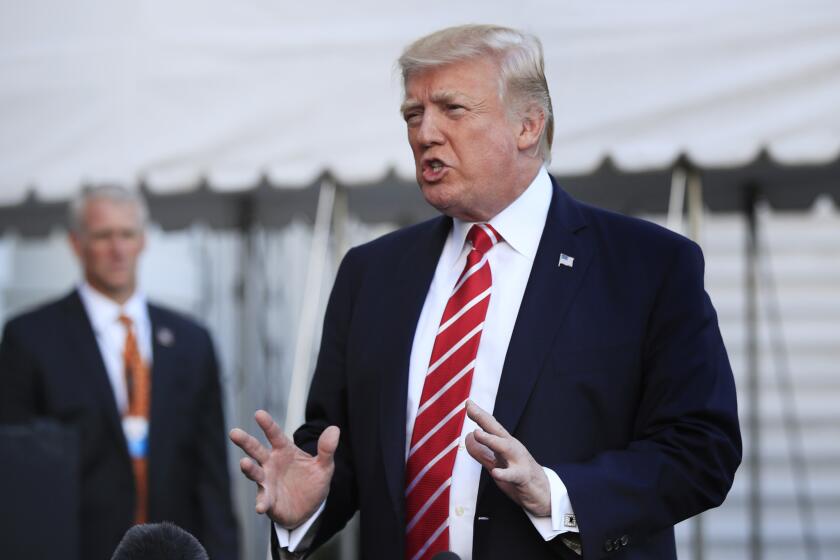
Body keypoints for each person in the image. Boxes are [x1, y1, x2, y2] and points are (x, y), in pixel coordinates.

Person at [230, 24, 741, 560]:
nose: (425, 133)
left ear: (527, 126)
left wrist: (560, 496)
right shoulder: (371, 273)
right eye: (412, 114)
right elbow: (339, 451)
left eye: (452, 109)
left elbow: (702, 450)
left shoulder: (647, 266)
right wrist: (308, 505)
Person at [0, 186, 239, 560]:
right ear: (76, 243)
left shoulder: (192, 341)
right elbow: (16, 474)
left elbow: (212, 476)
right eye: (102, 236)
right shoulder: (30, 338)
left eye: (127, 235)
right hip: (74, 546)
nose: (117, 249)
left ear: (143, 241)